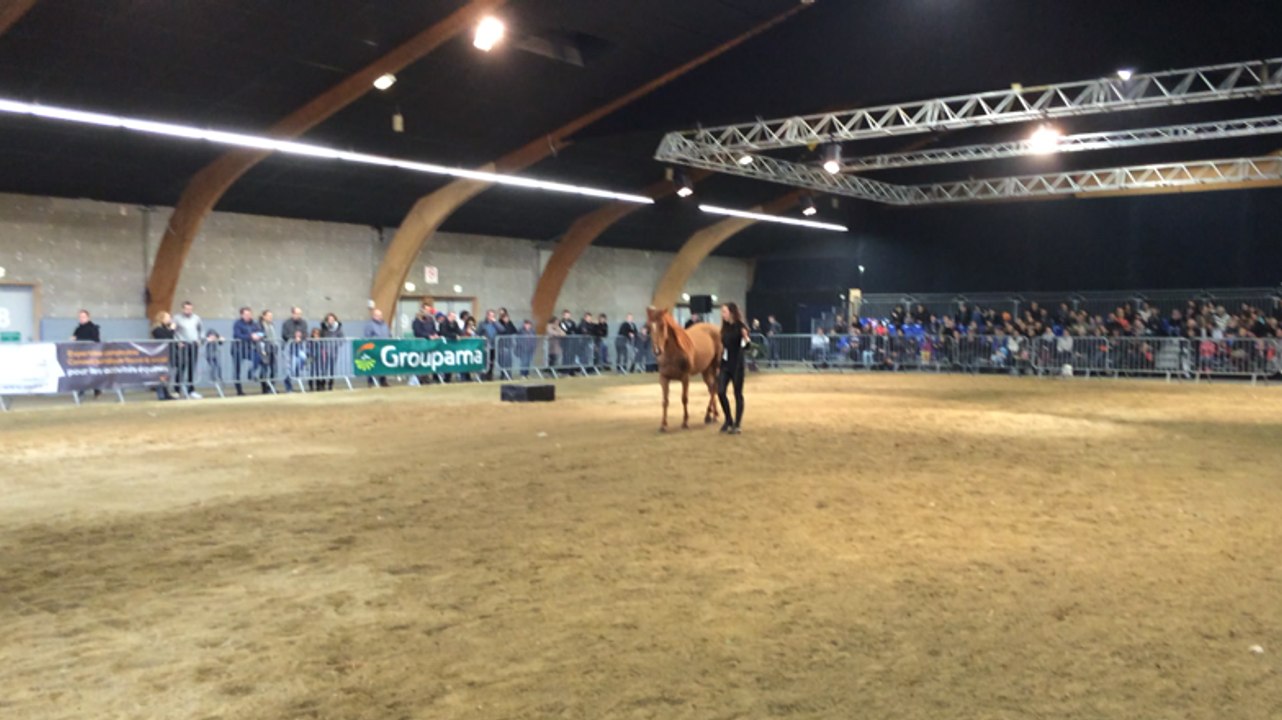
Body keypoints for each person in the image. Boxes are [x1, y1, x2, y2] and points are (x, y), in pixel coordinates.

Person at [717, 303, 750, 434]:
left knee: (737, 394)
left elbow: (747, 347)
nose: (722, 314)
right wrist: (719, 365)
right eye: (722, 312)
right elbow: (723, 348)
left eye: (724, 312)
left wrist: (746, 338)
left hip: (738, 365)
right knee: (720, 392)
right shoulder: (724, 328)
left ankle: (737, 423)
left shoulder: (740, 327)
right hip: (726, 365)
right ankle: (728, 419)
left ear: (731, 312)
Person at [173, 301, 203, 398]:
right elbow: (173, 332)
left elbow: (201, 330)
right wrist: (177, 342)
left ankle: (191, 390)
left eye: (190, 309)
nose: (188, 310)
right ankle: (177, 390)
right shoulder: (177, 318)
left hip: (193, 344)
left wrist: (200, 340)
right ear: (182, 309)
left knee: (191, 367)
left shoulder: (196, 318)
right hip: (183, 344)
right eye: (186, 309)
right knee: (181, 367)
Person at [70, 309, 103, 398]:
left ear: (88, 317)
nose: (81, 318)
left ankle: (96, 390)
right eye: (80, 317)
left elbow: (95, 340)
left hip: (91, 354)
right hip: (80, 354)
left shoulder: (93, 328)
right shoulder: (78, 329)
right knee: (82, 372)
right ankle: (82, 390)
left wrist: (77, 339)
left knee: (91, 372)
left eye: (83, 317)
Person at [231, 306, 263, 396]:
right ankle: (239, 390)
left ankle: (251, 372)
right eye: (246, 314)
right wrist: (250, 336)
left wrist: (258, 335)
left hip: (248, 348)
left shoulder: (254, 323)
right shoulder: (237, 324)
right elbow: (237, 335)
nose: (248, 316)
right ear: (242, 315)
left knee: (258, 358)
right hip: (237, 349)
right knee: (237, 370)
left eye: (249, 314)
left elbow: (261, 332)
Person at [150, 311, 178, 401]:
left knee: (166, 375)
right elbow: (167, 338)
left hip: (168, 354)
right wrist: (172, 330)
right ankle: (161, 394)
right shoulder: (157, 330)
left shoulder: (165, 328)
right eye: (168, 317)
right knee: (161, 375)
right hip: (161, 356)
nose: (170, 319)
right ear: (162, 319)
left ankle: (166, 393)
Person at [364, 308, 390, 387]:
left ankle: (383, 381)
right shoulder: (370, 325)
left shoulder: (385, 325)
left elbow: (389, 334)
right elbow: (367, 336)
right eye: (378, 315)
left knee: (383, 364)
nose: (380, 316)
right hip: (374, 348)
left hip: (384, 348)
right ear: (374, 316)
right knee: (372, 364)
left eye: (380, 315)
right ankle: (370, 381)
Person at [317, 313, 344, 391]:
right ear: (327, 320)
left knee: (332, 369)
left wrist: (336, 344)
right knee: (324, 368)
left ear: (335, 320)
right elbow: (320, 337)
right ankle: (323, 383)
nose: (331, 321)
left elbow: (342, 339)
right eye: (329, 319)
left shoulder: (338, 329)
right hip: (324, 351)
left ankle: (330, 384)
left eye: (332, 319)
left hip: (334, 351)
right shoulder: (323, 328)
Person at [257, 309, 278, 394]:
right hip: (265, 349)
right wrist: (264, 338)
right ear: (264, 316)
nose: (270, 318)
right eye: (268, 316)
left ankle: (271, 387)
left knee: (274, 370)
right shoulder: (259, 325)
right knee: (264, 369)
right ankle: (264, 388)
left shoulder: (272, 325)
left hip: (273, 348)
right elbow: (259, 335)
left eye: (271, 316)